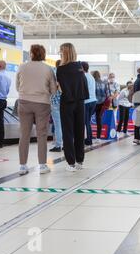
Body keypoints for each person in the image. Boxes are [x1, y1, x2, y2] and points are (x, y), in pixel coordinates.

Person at [16, 45, 57, 175]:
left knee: (24, 134)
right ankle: (43, 165)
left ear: (31, 53)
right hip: (42, 103)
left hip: (24, 102)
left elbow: (17, 86)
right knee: (42, 134)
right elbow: (53, 90)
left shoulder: (22, 67)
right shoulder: (48, 69)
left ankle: (23, 166)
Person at [57, 43, 89, 172]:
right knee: (79, 131)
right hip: (80, 102)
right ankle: (80, 160)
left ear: (63, 53)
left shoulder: (61, 69)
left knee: (68, 133)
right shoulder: (79, 66)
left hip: (67, 102)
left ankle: (71, 163)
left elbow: (59, 87)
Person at [82, 62, 97, 146]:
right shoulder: (91, 76)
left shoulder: (83, 76)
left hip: (86, 101)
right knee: (88, 121)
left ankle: (88, 140)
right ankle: (89, 138)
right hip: (93, 101)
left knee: (86, 122)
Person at [49, 60, 63, 153]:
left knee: (58, 125)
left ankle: (58, 145)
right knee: (65, 125)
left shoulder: (53, 73)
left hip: (55, 101)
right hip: (65, 102)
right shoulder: (66, 73)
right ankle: (66, 144)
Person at [92, 71, 110, 140]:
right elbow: (108, 94)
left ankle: (89, 135)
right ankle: (98, 137)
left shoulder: (93, 82)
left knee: (87, 119)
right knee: (99, 119)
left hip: (94, 102)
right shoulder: (104, 83)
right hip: (102, 103)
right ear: (99, 75)